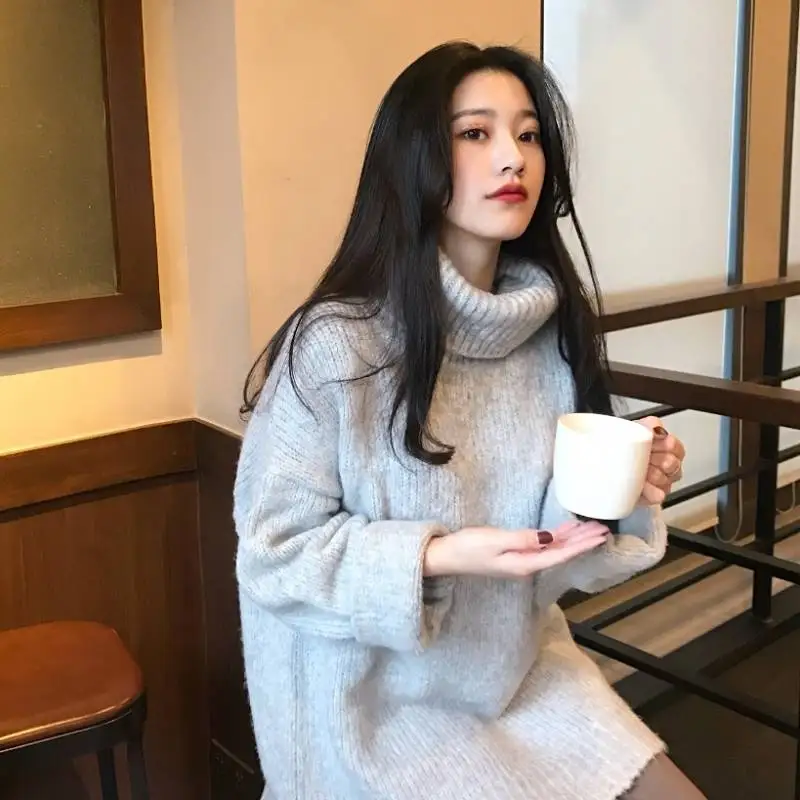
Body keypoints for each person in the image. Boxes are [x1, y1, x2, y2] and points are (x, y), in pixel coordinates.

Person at [234, 40, 700, 800]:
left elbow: (562, 563)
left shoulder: (552, 335)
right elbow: (273, 556)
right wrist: (438, 556)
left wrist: (618, 495)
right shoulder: (337, 344)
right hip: (373, 710)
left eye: (528, 134)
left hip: (519, 676)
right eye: (476, 133)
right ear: (415, 159)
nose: (513, 157)